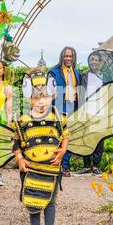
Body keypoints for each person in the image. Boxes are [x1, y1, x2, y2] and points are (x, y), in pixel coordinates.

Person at [12, 67, 69, 225]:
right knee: (33, 199)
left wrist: (62, 151)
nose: (40, 102)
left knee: (51, 201)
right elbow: (16, 144)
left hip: (52, 169)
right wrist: (20, 159)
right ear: (29, 99)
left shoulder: (59, 118)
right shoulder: (22, 121)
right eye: (36, 98)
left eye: (44, 97)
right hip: (31, 169)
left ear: (52, 96)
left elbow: (65, 135)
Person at [48, 47, 80, 177]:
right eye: (66, 56)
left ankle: (65, 166)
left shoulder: (76, 72)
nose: (68, 58)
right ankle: (54, 164)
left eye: (70, 56)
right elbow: (49, 93)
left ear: (73, 58)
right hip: (58, 106)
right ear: (62, 57)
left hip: (72, 106)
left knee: (68, 138)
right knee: (57, 136)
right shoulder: (53, 72)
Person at [75, 52, 105, 176]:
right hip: (86, 111)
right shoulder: (84, 76)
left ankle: (96, 166)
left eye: (96, 60)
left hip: (101, 111)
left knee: (99, 139)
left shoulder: (105, 76)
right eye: (91, 60)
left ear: (100, 62)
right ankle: (87, 166)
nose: (93, 62)